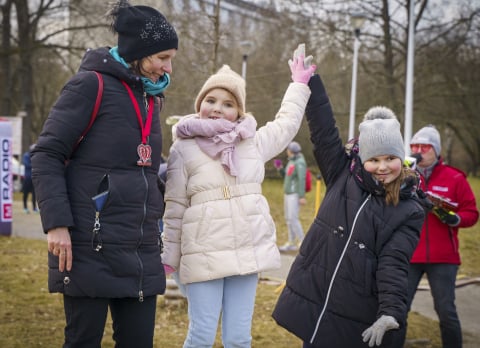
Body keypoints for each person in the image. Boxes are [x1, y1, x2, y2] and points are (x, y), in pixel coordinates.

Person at [30, 1, 178, 346]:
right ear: (138, 53)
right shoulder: (89, 85)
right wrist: (56, 224)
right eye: (162, 57)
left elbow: (135, 170)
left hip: (139, 249)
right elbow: (47, 154)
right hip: (88, 247)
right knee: (83, 341)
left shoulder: (150, 98)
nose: (168, 67)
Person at [161, 44, 316, 347]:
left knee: (238, 338)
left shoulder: (252, 143)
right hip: (202, 253)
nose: (218, 107)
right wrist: (169, 255)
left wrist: (298, 86)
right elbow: (175, 205)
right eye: (211, 99)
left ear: (238, 112)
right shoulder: (184, 147)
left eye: (228, 103)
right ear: (199, 104)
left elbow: (286, 125)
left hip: (246, 252)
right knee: (202, 334)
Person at [272, 70, 427, 347]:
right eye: (374, 159)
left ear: (401, 158)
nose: (382, 167)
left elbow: (394, 264)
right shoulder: (342, 174)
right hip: (317, 292)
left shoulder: (409, 209)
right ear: (362, 157)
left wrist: (391, 311)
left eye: (390, 158)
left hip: (355, 306)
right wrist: (311, 83)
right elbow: (324, 132)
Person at [404, 125, 479, 348]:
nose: (418, 150)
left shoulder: (455, 178)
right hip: (409, 254)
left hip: (443, 258)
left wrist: (455, 219)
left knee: (446, 312)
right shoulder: (406, 175)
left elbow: (471, 213)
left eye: (424, 147)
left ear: (436, 150)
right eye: (414, 146)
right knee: (398, 309)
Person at [274, 141, 307, 251]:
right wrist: (280, 169)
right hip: (288, 194)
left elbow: (301, 179)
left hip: (294, 194)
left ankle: (303, 241)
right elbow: (287, 176)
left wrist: (302, 196)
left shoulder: (299, 163)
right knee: (288, 219)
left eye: (288, 150)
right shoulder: (291, 162)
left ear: (290, 151)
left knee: (293, 218)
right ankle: (291, 242)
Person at [22, 144, 38, 213]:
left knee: (34, 193)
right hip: (27, 177)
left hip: (34, 177)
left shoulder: (36, 155)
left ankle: (34, 208)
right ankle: (25, 208)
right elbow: (27, 164)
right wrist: (35, 164)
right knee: (25, 193)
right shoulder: (26, 155)